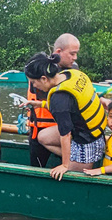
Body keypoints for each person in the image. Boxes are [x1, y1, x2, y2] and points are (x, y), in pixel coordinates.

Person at [24, 52, 106, 181]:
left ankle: (77, 161)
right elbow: (72, 105)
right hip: (89, 130)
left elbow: (65, 134)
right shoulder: (70, 74)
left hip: (87, 142)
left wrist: (65, 165)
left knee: (63, 176)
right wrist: (39, 104)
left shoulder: (59, 98)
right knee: (43, 137)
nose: (34, 86)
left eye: (34, 82)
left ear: (44, 78)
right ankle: (74, 157)